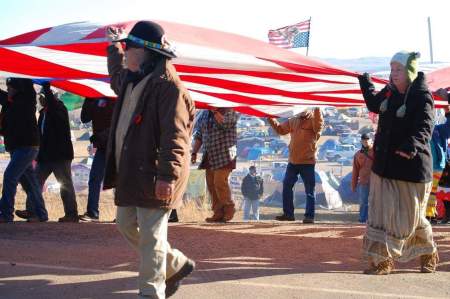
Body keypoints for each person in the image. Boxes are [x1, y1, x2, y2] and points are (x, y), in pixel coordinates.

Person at [104, 21, 196, 299]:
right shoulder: (133, 78)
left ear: (144, 51)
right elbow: (116, 76)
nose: (125, 50)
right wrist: (112, 48)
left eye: (128, 47)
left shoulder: (170, 89)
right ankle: (175, 264)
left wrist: (166, 176)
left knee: (152, 237)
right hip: (133, 172)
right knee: (125, 223)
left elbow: (175, 137)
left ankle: (150, 293)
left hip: (156, 173)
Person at [358, 51, 438, 275]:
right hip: (384, 168)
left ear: (410, 72)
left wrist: (412, 145)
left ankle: (428, 253)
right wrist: (366, 83)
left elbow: (425, 126)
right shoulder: (390, 93)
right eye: (392, 70)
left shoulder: (422, 96)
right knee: (382, 216)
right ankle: (382, 261)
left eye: (398, 70)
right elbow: (375, 105)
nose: (393, 74)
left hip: (410, 169)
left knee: (410, 220)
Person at [15, 82, 78, 222]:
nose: (40, 99)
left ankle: (71, 214)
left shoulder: (59, 109)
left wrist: (47, 89)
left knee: (65, 185)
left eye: (42, 96)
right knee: (35, 183)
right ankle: (33, 212)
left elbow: (53, 105)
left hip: (60, 156)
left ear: (50, 97)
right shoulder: (43, 113)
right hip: (45, 157)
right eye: (40, 97)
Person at [0, 78, 48, 223]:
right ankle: (41, 214)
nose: (8, 90)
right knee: (31, 184)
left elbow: (22, 93)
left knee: (9, 177)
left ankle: (6, 214)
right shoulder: (12, 102)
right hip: (19, 147)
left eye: (10, 88)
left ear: (18, 89)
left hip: (26, 147)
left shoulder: (25, 101)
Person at [268, 108, 324, 223]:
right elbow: (280, 130)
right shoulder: (293, 120)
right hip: (293, 162)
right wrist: (269, 117)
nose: (301, 109)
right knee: (286, 186)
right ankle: (288, 214)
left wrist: (317, 108)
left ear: (309, 108)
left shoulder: (314, 120)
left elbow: (318, 127)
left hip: (307, 162)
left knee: (309, 190)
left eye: (304, 107)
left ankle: (309, 216)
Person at [191, 108, 238, 222]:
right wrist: (194, 152)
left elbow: (225, 124)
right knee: (211, 185)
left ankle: (228, 209)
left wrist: (215, 111)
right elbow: (199, 134)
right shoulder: (204, 114)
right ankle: (218, 212)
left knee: (219, 182)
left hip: (225, 154)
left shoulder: (230, 111)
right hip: (209, 154)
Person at [79, 97, 115, 222]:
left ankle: (124, 215)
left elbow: (118, 123)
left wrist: (102, 136)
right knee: (94, 178)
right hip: (102, 147)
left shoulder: (115, 96)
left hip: (117, 146)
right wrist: (88, 98)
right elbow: (84, 118)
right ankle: (92, 213)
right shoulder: (93, 99)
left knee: (120, 180)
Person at [435, 88, 450, 224]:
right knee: (441, 193)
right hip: (431, 167)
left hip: (442, 166)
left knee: (445, 192)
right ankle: (444, 215)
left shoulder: (438, 130)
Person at [351, 133, 374, 223]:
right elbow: (355, 171)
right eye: (364, 140)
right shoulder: (357, 154)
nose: (366, 141)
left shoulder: (376, 151)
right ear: (361, 141)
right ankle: (362, 220)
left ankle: (373, 220)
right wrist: (353, 185)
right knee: (364, 202)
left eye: (367, 139)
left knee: (375, 202)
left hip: (375, 182)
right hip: (364, 182)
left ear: (371, 140)